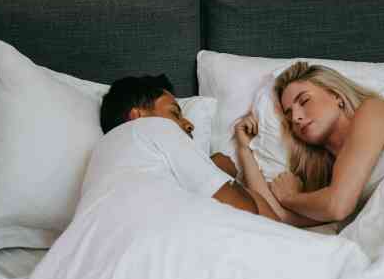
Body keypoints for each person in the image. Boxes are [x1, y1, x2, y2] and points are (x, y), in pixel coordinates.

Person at [233, 61, 384, 229]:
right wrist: (244, 149)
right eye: (289, 114)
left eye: (304, 101)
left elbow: (337, 206)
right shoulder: (332, 182)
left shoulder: (373, 111)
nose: (296, 117)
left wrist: (289, 196)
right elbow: (278, 216)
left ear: (336, 95)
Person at [98, 74, 280, 221]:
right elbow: (244, 212)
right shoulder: (155, 127)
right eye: (174, 113)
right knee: (254, 199)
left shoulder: (103, 152)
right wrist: (217, 170)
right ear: (137, 116)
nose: (189, 125)